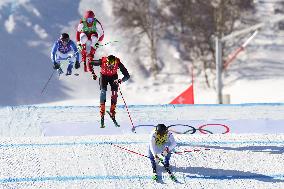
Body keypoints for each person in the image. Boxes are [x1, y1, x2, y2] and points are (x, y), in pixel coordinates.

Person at [91, 55, 130, 128]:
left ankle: (112, 112)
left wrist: (120, 80)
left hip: (113, 77)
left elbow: (127, 76)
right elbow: (90, 63)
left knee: (114, 94)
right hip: (104, 76)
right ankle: (102, 113)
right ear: (107, 62)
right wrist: (93, 73)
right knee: (103, 92)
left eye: (113, 64)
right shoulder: (102, 61)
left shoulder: (118, 62)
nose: (111, 66)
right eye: (109, 64)